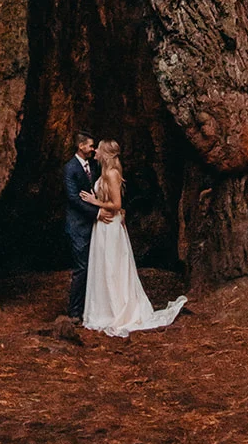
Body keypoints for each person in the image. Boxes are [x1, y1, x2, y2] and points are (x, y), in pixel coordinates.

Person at [80, 139, 187, 337]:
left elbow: (116, 203)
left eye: (98, 149)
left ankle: (116, 309)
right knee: (102, 265)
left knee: (113, 266)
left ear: (105, 153)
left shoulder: (112, 174)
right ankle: (103, 309)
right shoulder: (103, 172)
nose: (95, 151)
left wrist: (95, 202)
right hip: (103, 225)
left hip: (110, 225)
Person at [63, 131, 101, 321]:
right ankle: (75, 312)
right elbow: (73, 198)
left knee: (93, 266)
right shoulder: (70, 168)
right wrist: (98, 213)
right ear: (81, 146)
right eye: (90, 146)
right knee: (82, 268)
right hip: (78, 226)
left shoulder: (93, 166)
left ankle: (90, 308)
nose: (93, 149)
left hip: (93, 225)